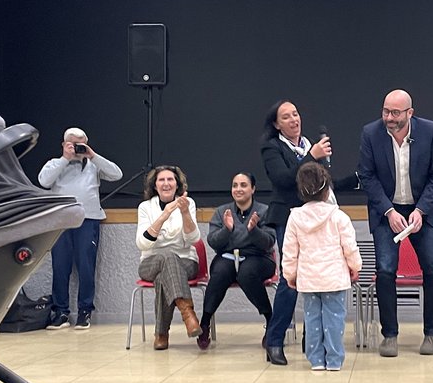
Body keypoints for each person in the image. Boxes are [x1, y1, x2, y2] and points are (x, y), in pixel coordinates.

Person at [259, 100, 354, 366]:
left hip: (320, 219)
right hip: (290, 218)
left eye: (296, 114)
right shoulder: (272, 147)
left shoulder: (308, 145)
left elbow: (323, 183)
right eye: (286, 117)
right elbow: (284, 179)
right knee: (290, 282)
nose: (294, 120)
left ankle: (311, 342)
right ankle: (275, 340)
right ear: (277, 124)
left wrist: (353, 180)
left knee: (320, 282)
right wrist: (312, 156)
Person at [358, 89, 433, 358]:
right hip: (387, 210)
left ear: (410, 113)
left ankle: (431, 333)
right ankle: (390, 335)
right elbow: (367, 175)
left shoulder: (430, 132)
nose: (389, 117)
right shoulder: (371, 133)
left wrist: (421, 210)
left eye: (395, 112)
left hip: (423, 210)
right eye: (386, 111)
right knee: (385, 270)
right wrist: (388, 211)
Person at [38, 128, 123, 330]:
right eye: (73, 144)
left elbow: (116, 174)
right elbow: (44, 181)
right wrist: (65, 159)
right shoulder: (55, 163)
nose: (77, 148)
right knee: (60, 267)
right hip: (61, 222)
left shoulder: (93, 165)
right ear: (64, 144)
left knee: (86, 266)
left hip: (89, 219)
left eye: (80, 143)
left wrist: (92, 155)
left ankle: (85, 311)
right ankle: (61, 312)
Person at [282, 163, 362, 371]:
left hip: (308, 279)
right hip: (334, 278)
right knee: (335, 319)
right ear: (328, 190)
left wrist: (290, 274)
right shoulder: (339, 217)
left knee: (312, 318)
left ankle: (316, 360)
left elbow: (289, 251)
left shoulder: (295, 217)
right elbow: (350, 248)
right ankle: (334, 360)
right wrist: (355, 266)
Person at [200, 172, 277, 350]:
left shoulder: (264, 211)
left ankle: (269, 319)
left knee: (246, 274)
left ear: (253, 189)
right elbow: (213, 241)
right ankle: (204, 324)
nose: (238, 189)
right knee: (219, 273)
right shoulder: (222, 212)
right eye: (235, 185)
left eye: (243, 185)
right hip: (228, 255)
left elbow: (269, 242)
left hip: (259, 257)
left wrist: (254, 230)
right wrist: (227, 229)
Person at [135, 165, 201, 350]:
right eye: (161, 180)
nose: (166, 183)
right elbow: (143, 244)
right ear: (154, 186)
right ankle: (187, 312)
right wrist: (165, 215)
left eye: (170, 179)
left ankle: (161, 333)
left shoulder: (188, 203)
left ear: (177, 184)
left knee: (165, 273)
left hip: (186, 261)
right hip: (150, 263)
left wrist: (185, 212)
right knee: (166, 258)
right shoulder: (145, 207)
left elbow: (193, 240)